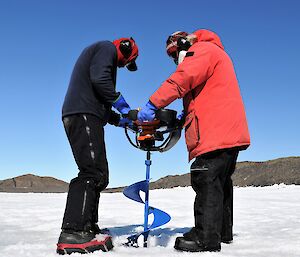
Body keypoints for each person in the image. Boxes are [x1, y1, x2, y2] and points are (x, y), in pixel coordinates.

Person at [138, 29, 250, 252]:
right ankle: (221, 232)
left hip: (215, 131)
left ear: (183, 44)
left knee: (205, 178)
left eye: (174, 53)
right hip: (228, 132)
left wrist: (153, 104)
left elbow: (182, 79)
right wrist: (184, 117)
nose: (174, 59)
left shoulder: (201, 50)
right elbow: (204, 96)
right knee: (220, 183)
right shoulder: (215, 53)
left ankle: (205, 237)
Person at [57, 37, 138, 254]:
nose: (122, 66)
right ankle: (74, 232)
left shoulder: (100, 55)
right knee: (92, 172)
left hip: (84, 114)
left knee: (99, 174)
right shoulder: (106, 48)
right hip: (83, 114)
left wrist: (124, 121)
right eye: (126, 62)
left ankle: (88, 227)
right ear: (125, 48)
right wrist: (125, 107)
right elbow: (101, 80)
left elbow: (102, 104)